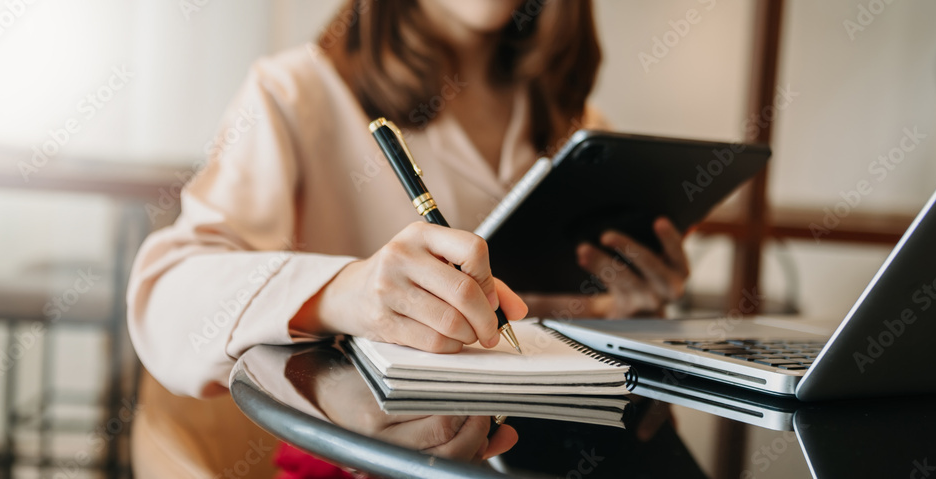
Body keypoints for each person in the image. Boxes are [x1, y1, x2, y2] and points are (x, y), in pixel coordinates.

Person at [126, 0, 690, 476]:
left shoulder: (582, 128)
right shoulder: (294, 92)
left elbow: (558, 332)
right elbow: (167, 298)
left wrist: (629, 310)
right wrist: (345, 291)